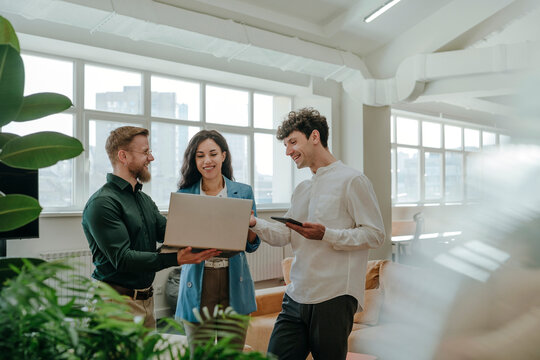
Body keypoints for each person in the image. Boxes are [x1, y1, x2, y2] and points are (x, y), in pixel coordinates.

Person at [249, 108, 385, 360]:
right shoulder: (302, 189)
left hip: (333, 297)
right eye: (286, 145)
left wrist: (326, 234)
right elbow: (284, 235)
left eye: (292, 142)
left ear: (314, 136)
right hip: (295, 296)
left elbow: (375, 235)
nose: (288, 151)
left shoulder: (353, 180)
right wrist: (254, 222)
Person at [82, 126, 220, 329]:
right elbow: (123, 259)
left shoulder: (144, 200)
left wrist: (216, 222)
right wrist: (175, 258)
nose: (151, 158)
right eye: (145, 152)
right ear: (123, 156)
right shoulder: (102, 203)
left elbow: (169, 232)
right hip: (112, 305)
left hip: (145, 302)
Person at [174, 130, 260, 350]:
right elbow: (179, 240)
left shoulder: (243, 192)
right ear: (194, 160)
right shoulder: (185, 194)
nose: (207, 160)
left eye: (213, 153)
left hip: (234, 281)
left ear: (223, 155)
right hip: (198, 281)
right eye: (200, 155)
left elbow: (252, 244)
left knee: (231, 354)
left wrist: (250, 224)